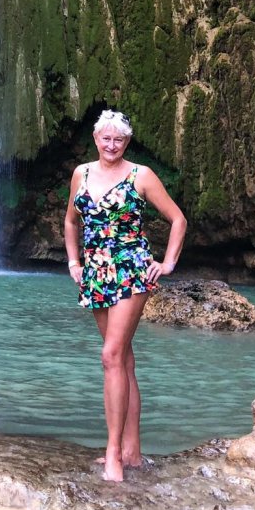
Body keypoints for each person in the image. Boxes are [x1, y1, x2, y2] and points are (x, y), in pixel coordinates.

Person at [64, 109, 187, 482]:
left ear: (127, 142)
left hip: (132, 271)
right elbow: (71, 220)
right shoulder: (81, 174)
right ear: (96, 139)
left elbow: (178, 219)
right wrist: (73, 262)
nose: (111, 145)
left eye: (118, 139)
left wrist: (166, 264)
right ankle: (133, 449)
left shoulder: (141, 176)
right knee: (123, 361)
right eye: (106, 138)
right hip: (96, 272)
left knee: (111, 355)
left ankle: (113, 452)